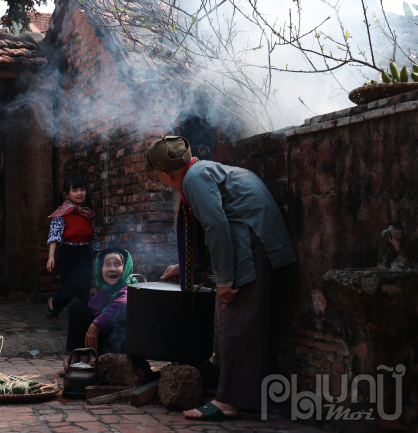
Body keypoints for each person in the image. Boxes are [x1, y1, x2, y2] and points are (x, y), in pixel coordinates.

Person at [147, 136, 297, 421]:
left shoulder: (194, 180)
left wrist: (225, 281)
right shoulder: (204, 170)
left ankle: (228, 401)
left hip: (252, 242)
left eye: (157, 173)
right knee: (250, 323)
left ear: (165, 173)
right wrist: (184, 265)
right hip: (257, 240)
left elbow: (216, 225)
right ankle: (248, 397)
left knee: (238, 326)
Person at [61, 247, 135, 373]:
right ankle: (82, 358)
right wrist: (75, 354)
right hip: (101, 347)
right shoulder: (99, 297)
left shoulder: (130, 289)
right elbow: (79, 326)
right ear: (100, 270)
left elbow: (122, 304)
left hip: (120, 347)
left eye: (117, 264)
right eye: (107, 264)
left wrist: (96, 324)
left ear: (126, 268)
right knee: (76, 306)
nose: (112, 268)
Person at [46, 176, 101, 323]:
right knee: (69, 290)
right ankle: (54, 305)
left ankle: (80, 320)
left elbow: (94, 238)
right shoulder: (62, 214)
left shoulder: (88, 214)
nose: (79, 193)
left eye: (82, 189)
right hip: (67, 253)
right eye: (75, 190)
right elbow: (54, 235)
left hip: (84, 254)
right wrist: (51, 257)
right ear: (66, 194)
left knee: (84, 290)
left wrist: (97, 260)